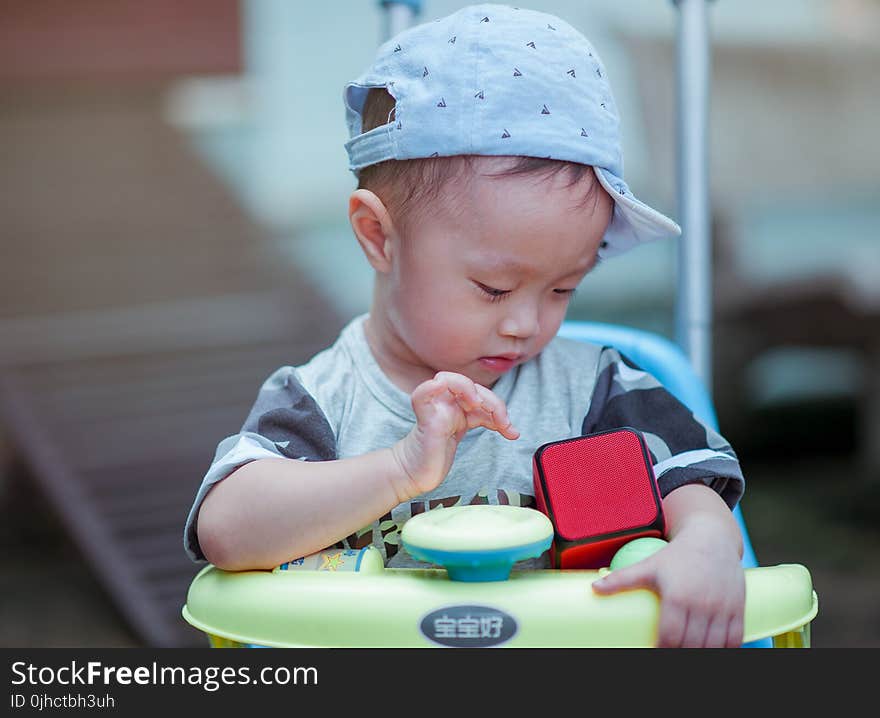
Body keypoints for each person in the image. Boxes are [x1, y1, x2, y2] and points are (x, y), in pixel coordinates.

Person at [184, 3, 746, 648]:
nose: (527, 323)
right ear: (378, 237)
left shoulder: (594, 390)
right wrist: (398, 469)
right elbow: (226, 531)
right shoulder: (322, 402)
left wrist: (703, 547)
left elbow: (693, 480)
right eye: (494, 288)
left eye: (564, 288)